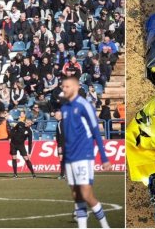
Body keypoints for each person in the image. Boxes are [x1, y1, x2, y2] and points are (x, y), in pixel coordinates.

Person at [60, 77, 111, 229]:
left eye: (67, 86)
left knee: (86, 194)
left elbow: (96, 131)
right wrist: (63, 162)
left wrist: (104, 157)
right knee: (76, 196)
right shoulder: (65, 108)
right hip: (70, 158)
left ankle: (105, 225)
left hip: (84, 155)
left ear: (75, 87)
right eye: (63, 86)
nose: (64, 89)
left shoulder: (84, 105)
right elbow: (66, 135)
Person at [55, 110, 65, 179]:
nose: (54, 116)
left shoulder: (60, 123)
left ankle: (62, 174)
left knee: (62, 158)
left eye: (55, 115)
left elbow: (61, 135)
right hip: (68, 143)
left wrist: (59, 145)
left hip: (62, 144)